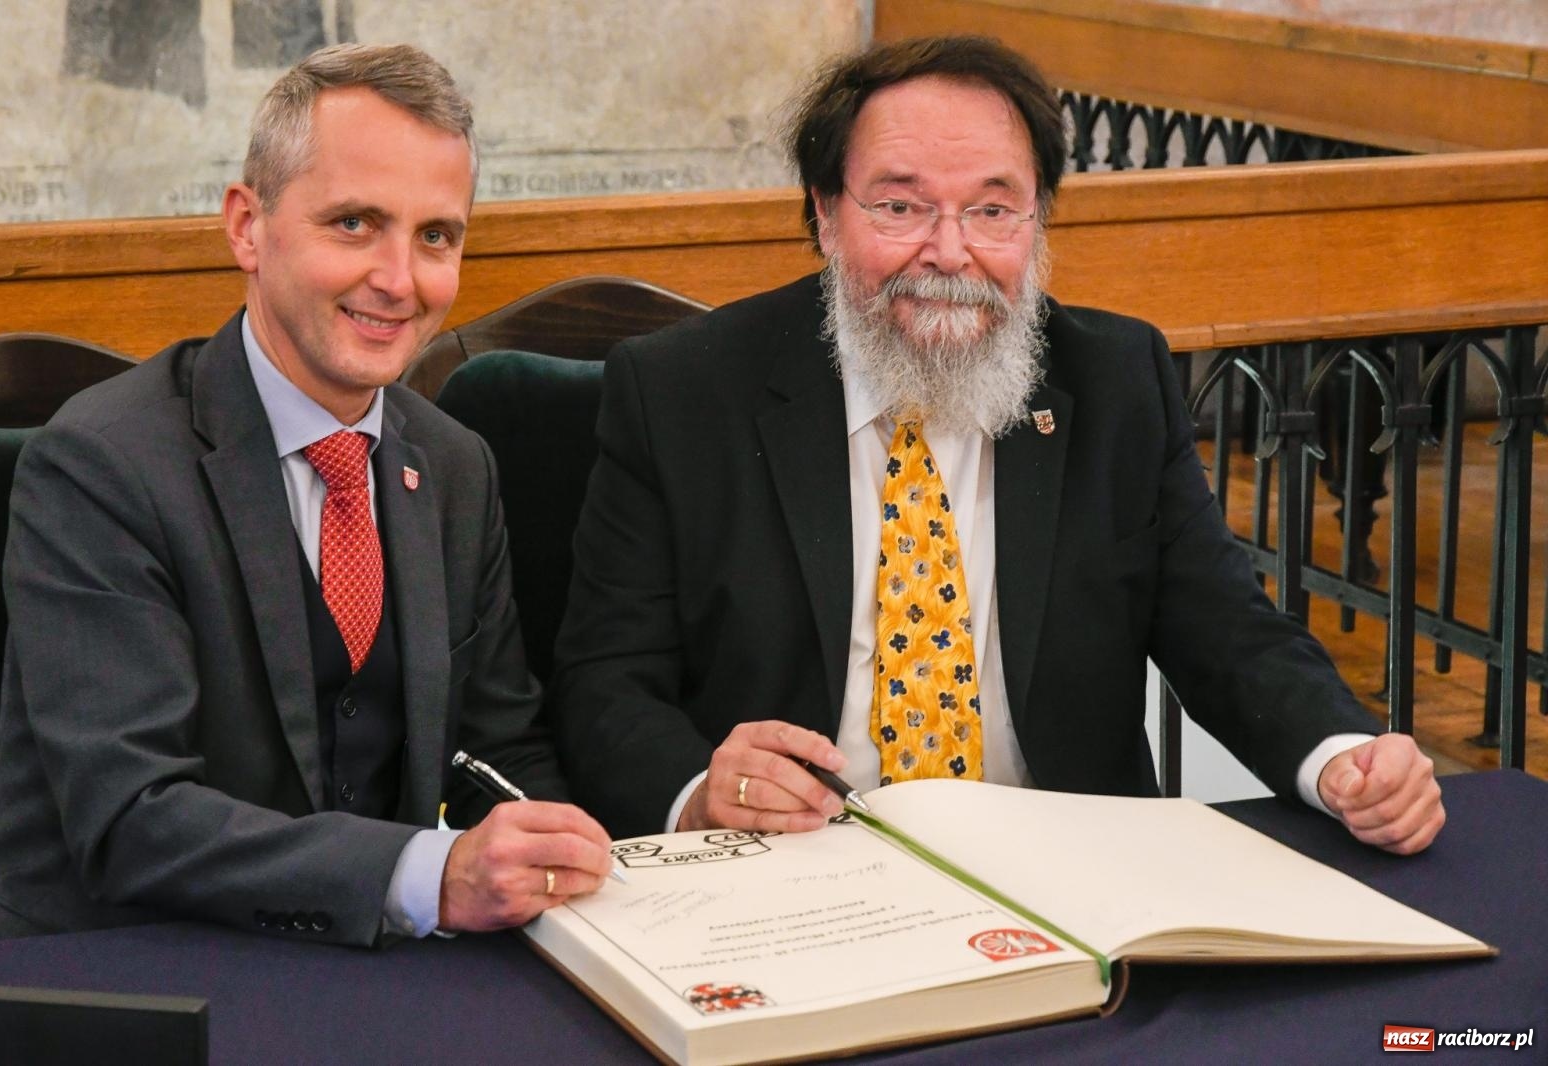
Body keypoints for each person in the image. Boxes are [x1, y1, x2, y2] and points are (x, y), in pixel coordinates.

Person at [552, 35, 1445, 855]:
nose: (950, 252)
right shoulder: (681, 392)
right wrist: (702, 790)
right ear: (826, 214)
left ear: (1038, 222)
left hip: (1068, 875)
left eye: (991, 210)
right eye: (900, 206)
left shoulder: (1114, 379)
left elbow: (1228, 631)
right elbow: (604, 683)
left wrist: (1340, 757)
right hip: (795, 880)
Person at [0, 43, 612, 947]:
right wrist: (428, 874)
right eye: (353, 223)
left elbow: (500, 754)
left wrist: (572, 867)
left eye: (435, 236)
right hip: (107, 970)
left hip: (367, 970)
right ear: (247, 227)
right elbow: (131, 817)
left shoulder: (456, 465)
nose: (399, 279)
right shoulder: (98, 462)